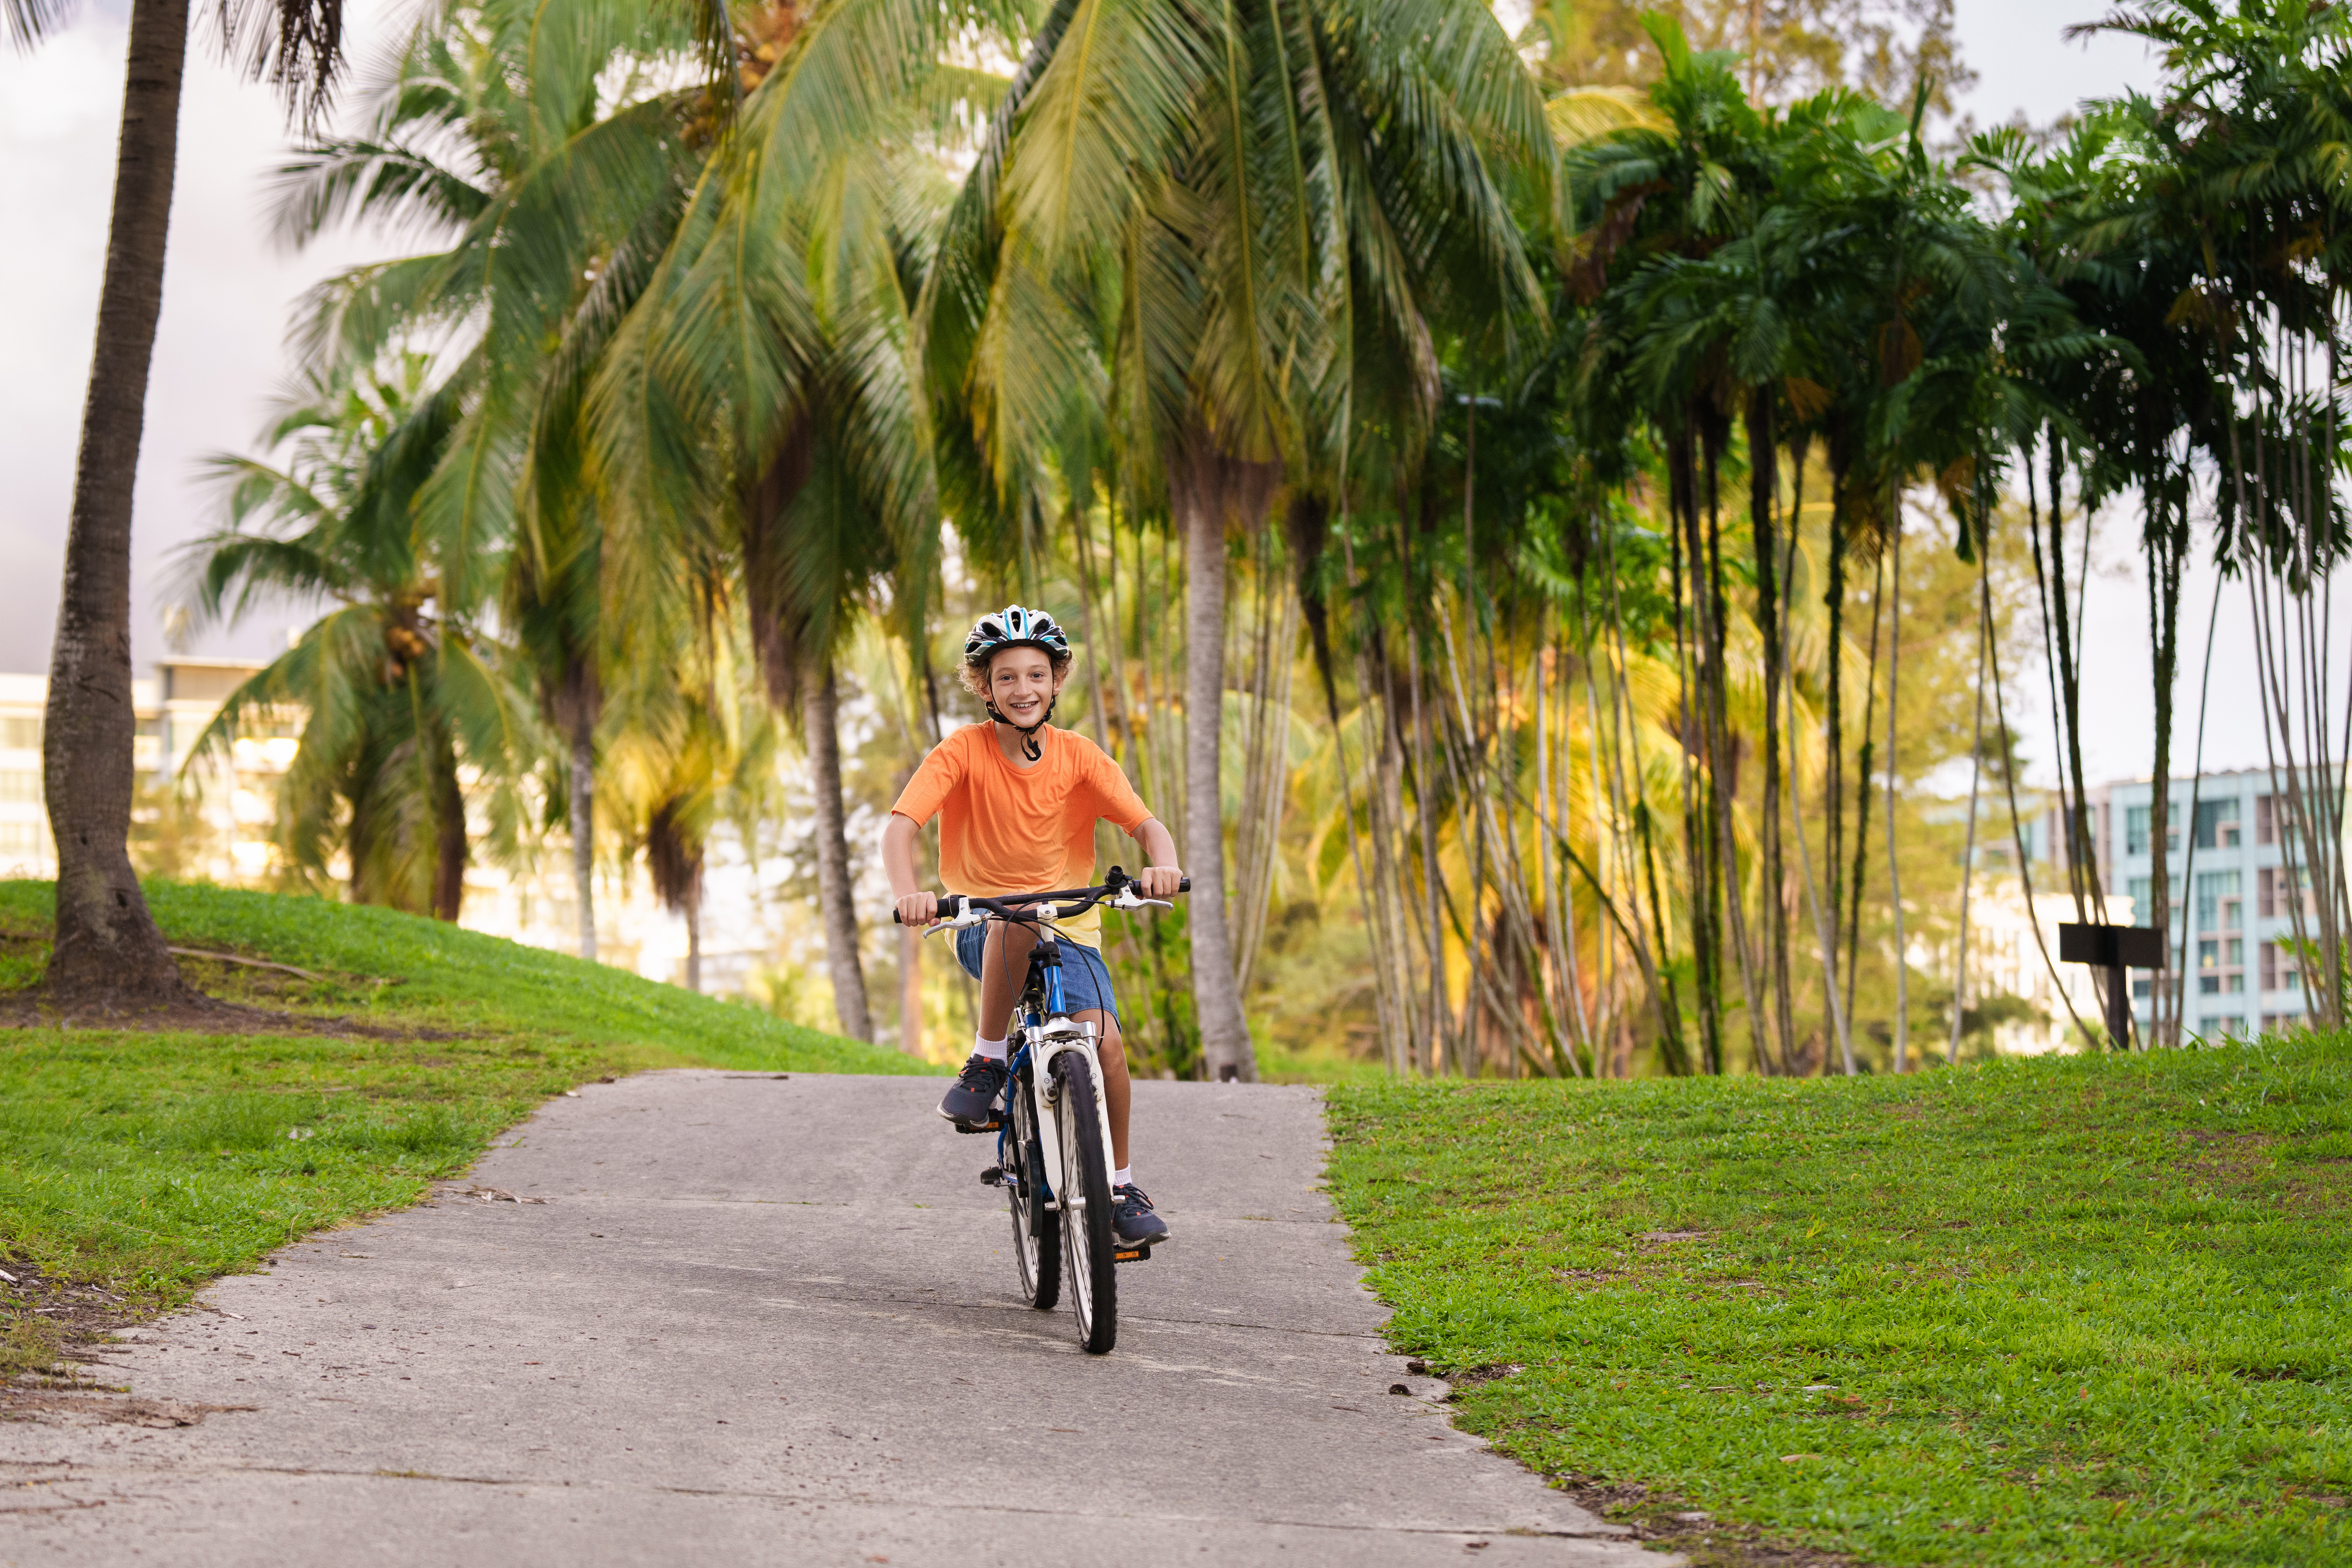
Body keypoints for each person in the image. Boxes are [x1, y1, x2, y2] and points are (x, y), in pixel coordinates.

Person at [882, 604, 1181, 1247]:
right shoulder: (961, 750)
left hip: (1070, 926)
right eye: (1008, 678)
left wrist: (1165, 867)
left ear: (1057, 681)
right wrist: (910, 893)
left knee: (1105, 1045)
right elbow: (900, 827)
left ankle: (1120, 1187)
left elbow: (1146, 826)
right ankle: (988, 1061)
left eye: (1036, 675)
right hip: (983, 924)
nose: (1024, 689)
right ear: (985, 688)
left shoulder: (1079, 756)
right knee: (1014, 917)